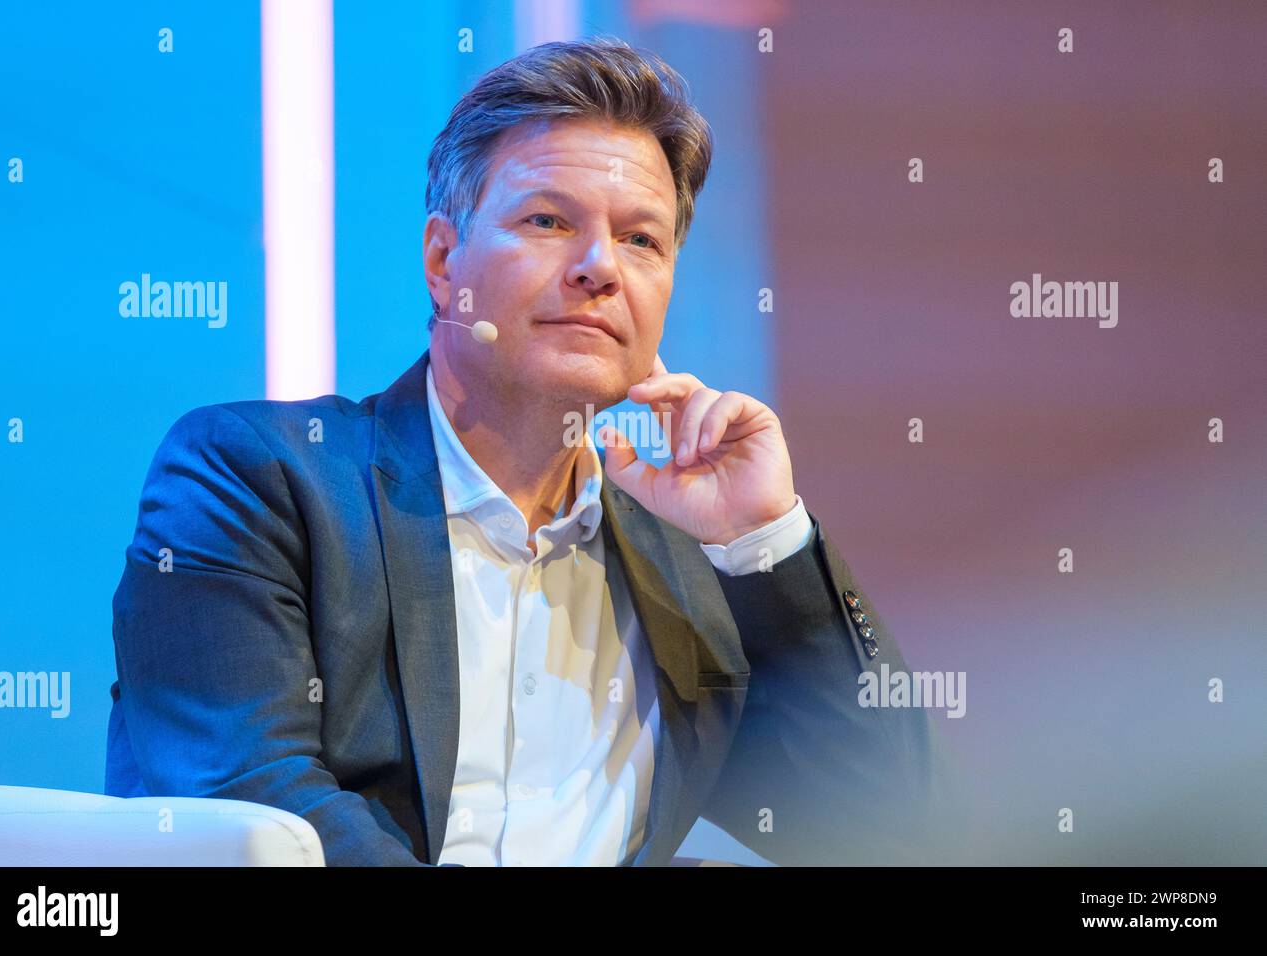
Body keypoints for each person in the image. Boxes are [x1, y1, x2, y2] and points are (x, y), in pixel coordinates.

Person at [105, 36, 953, 866]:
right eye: (548, 220)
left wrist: (765, 539)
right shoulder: (259, 479)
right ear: (444, 261)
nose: (600, 267)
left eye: (642, 240)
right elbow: (252, 802)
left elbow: (881, 825)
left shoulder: (695, 553)